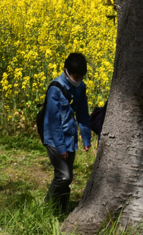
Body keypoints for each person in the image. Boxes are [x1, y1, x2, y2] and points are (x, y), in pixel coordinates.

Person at [42, 52, 92, 214]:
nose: (78, 81)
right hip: (55, 140)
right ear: (66, 71)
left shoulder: (81, 87)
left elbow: (83, 114)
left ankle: (62, 210)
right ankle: (47, 207)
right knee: (64, 176)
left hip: (70, 139)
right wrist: (61, 147)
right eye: (75, 77)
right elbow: (53, 121)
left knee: (66, 176)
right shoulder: (55, 89)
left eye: (81, 78)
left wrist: (86, 138)